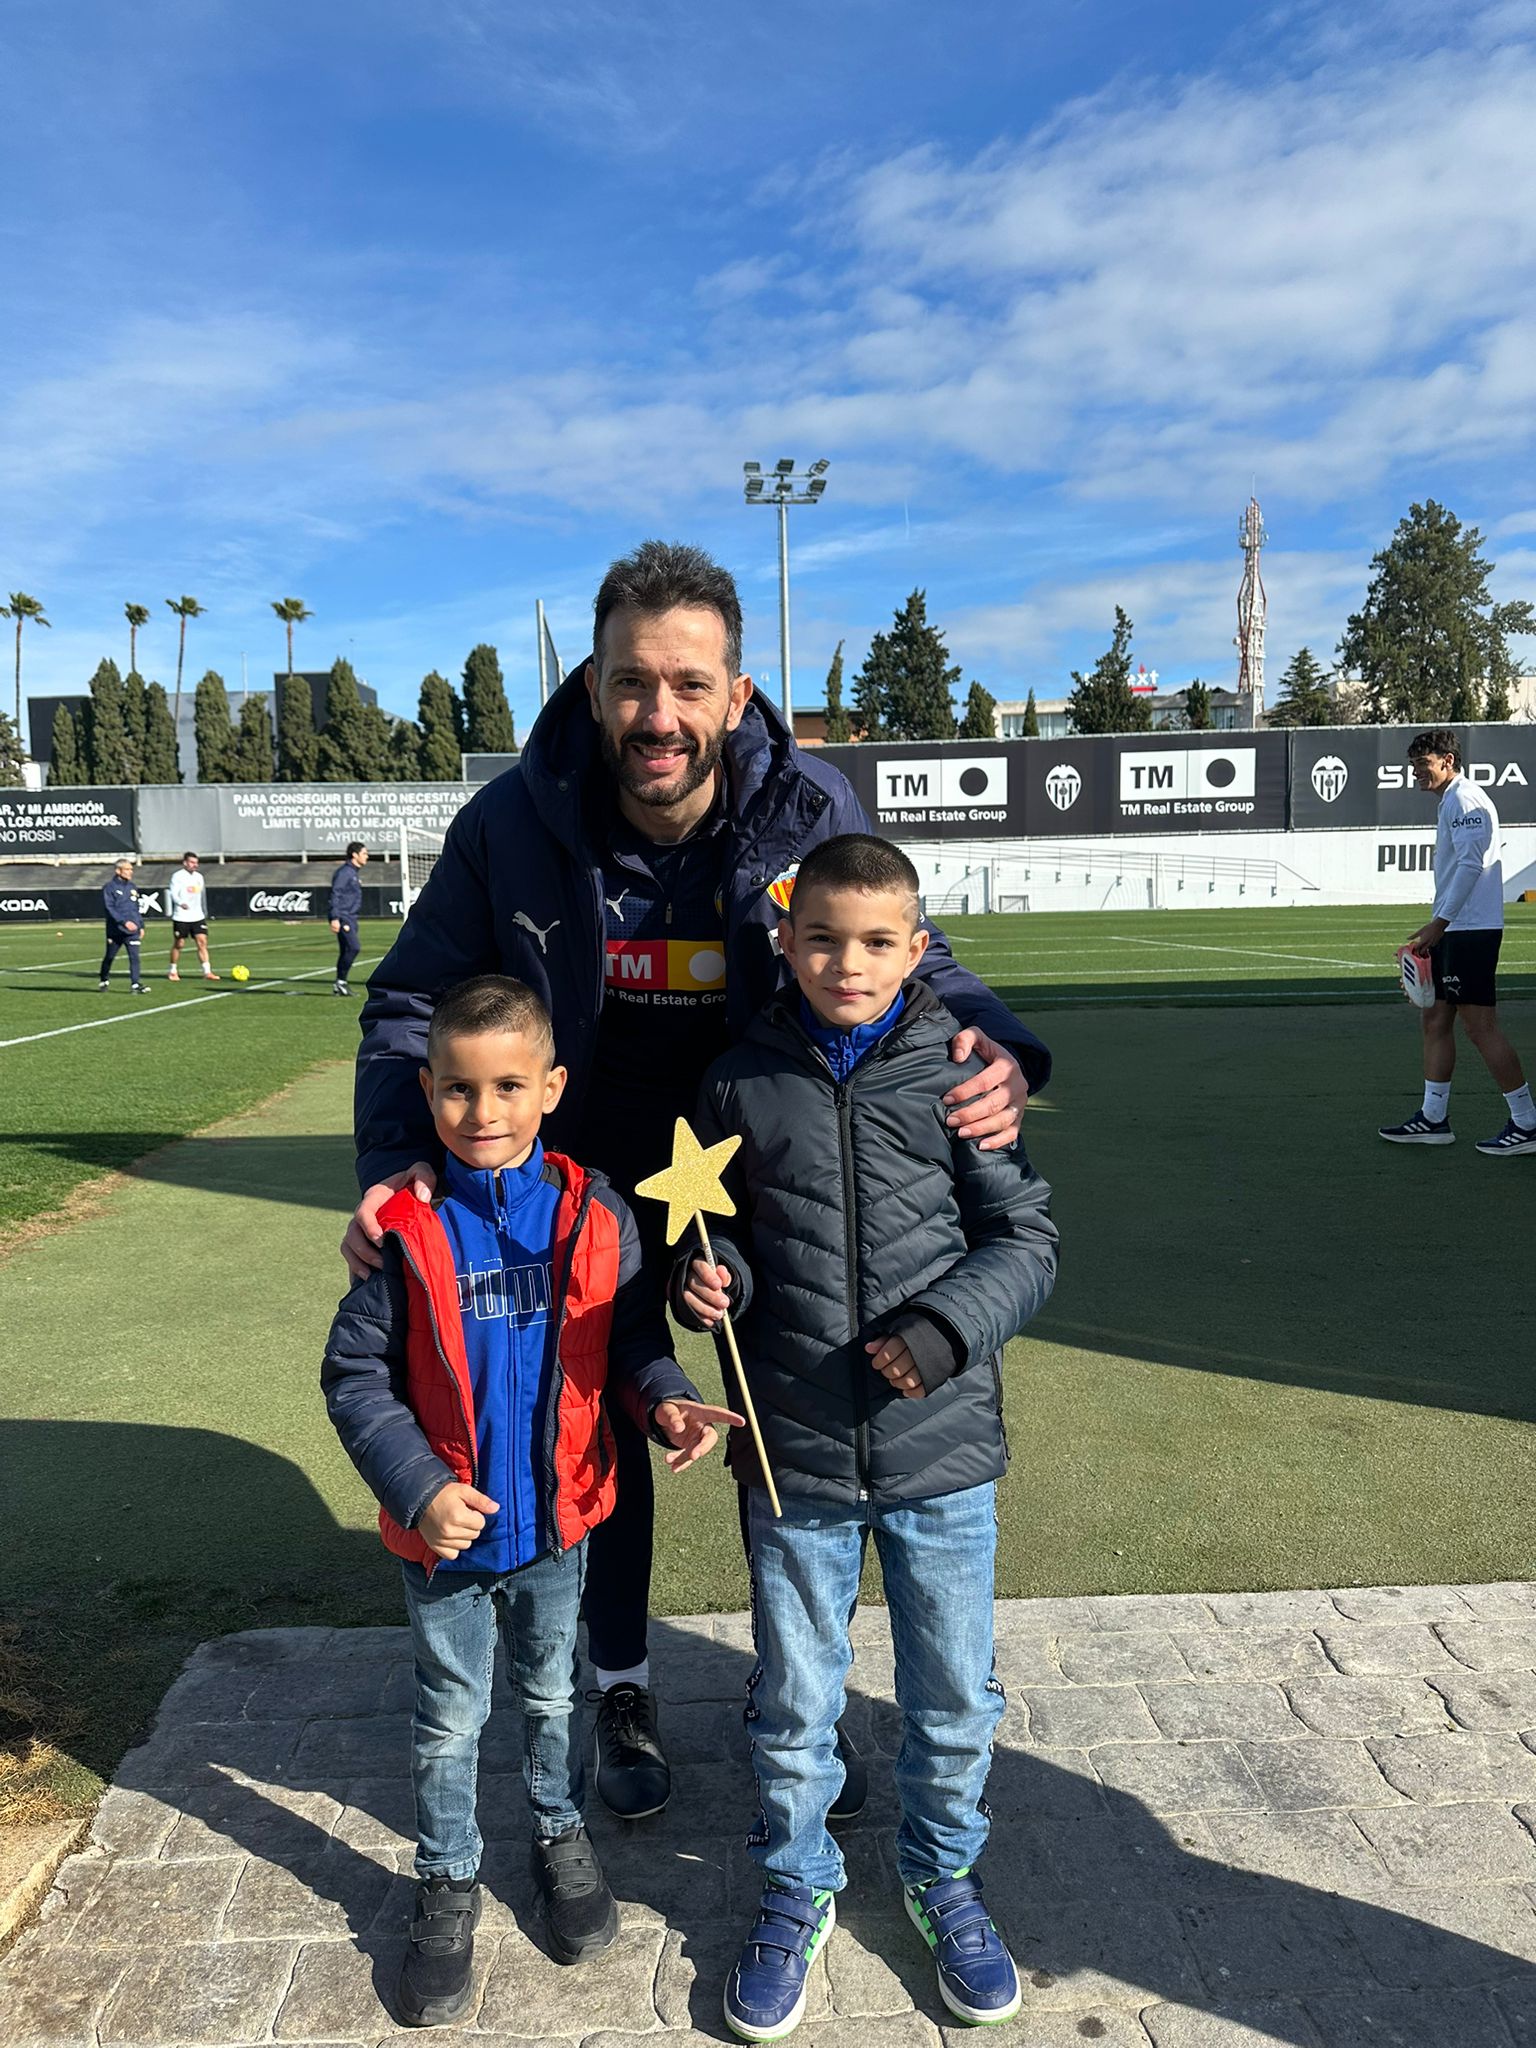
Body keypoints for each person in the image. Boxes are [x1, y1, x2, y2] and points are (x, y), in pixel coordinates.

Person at [344, 540, 1052, 1821]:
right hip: (578, 1182)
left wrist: (996, 1044)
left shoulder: (809, 805)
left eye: (687, 684)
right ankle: (620, 1683)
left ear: (737, 693)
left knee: (782, 1413)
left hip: (764, 1162)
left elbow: (908, 948)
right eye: (631, 682)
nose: (657, 714)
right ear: (593, 685)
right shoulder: (509, 820)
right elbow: (408, 1000)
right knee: (597, 1420)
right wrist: (400, 1168)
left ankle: (796, 1689)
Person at [673, 834, 1058, 2040]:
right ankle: (798, 1880)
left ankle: (944, 1873)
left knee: (952, 1696)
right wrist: (709, 1279)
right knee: (795, 1701)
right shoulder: (735, 1079)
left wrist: (943, 1331)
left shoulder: (961, 1072)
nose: (849, 962)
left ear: (916, 947)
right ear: (785, 943)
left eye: (877, 941)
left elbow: (1027, 1240)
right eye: (823, 938)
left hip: (941, 1453)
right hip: (793, 1453)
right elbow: (723, 1238)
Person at [322, 974, 739, 2025]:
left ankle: (560, 1832)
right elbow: (355, 1377)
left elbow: (630, 1343)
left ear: (551, 1087)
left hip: (560, 1527)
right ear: (427, 1090)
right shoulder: (403, 1230)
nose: (483, 1110)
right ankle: (447, 1878)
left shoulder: (597, 1213)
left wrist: (668, 1402)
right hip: (444, 1545)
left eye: (508, 1085)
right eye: (458, 1088)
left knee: (555, 1697)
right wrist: (419, 1488)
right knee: (449, 1718)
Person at [1379, 728, 1536, 1156]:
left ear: (1447, 761)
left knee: (1480, 1027)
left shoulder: (1466, 799)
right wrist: (1441, 926)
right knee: (1434, 1019)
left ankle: (1527, 1123)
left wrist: (1440, 924)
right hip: (1456, 928)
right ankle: (1433, 1119)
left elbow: (1471, 864)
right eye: (1413, 766)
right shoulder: (1451, 800)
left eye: (1423, 764)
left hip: (1470, 930)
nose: (1416, 773)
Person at [166, 851, 220, 982]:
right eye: (192, 862)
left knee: (202, 942)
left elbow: (201, 895)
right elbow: (173, 893)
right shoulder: (177, 876)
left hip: (197, 916)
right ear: (185, 863)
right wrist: (181, 903)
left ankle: (207, 972)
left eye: (196, 863)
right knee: (179, 944)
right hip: (181, 916)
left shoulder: (199, 877)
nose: (195, 865)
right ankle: (172, 970)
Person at [99, 857, 147, 994]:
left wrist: (141, 925)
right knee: (110, 957)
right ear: (118, 871)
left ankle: (135, 984)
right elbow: (109, 908)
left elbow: (136, 908)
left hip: (132, 930)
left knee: (134, 957)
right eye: (127, 869)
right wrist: (124, 922)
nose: (131, 872)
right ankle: (104, 979)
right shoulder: (109, 888)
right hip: (116, 930)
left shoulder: (132, 887)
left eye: (131, 869)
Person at [329, 840, 367, 995]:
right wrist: (335, 918)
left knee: (346, 950)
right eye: (364, 853)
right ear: (355, 855)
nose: (367, 856)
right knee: (353, 947)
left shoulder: (353, 873)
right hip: (344, 917)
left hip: (351, 917)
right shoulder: (345, 873)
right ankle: (341, 982)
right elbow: (335, 894)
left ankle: (340, 984)